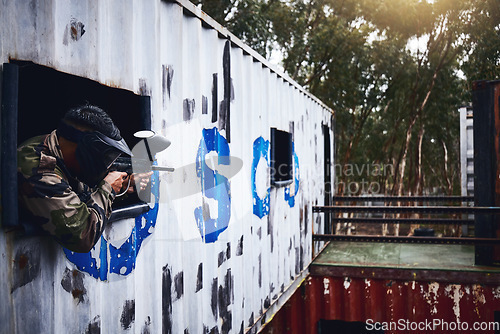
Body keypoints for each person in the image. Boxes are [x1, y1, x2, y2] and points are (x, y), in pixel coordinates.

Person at [17, 104, 150, 253]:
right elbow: (82, 236)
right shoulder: (39, 168)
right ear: (86, 147)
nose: (107, 165)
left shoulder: (61, 156)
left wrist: (123, 187)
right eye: (105, 157)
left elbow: (82, 195)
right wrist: (108, 189)